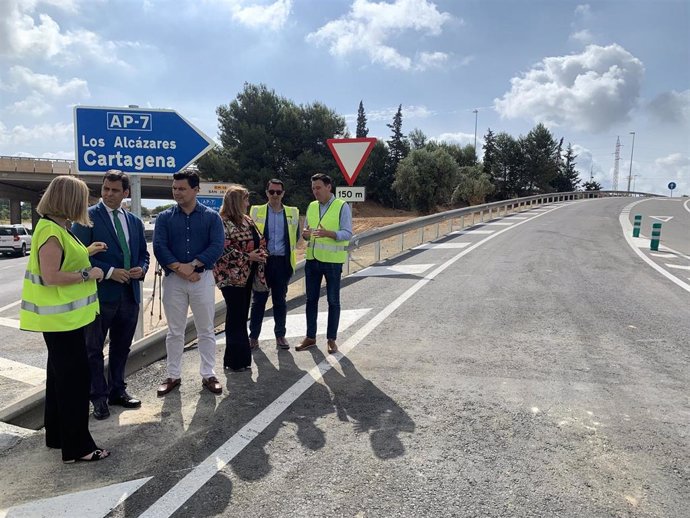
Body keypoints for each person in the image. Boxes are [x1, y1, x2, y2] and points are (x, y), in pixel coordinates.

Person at [19, 175, 110, 463]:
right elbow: (51, 276)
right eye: (81, 198)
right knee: (74, 382)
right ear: (69, 200)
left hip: (64, 320)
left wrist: (87, 251)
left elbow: (62, 260)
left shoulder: (56, 227)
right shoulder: (51, 231)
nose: (84, 204)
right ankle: (79, 448)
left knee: (59, 379)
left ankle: (57, 436)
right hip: (62, 322)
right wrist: (89, 273)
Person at [72, 170, 150, 420]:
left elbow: (143, 254)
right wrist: (109, 272)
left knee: (121, 347)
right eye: (106, 189)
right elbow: (78, 256)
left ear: (126, 193)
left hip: (129, 294)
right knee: (93, 349)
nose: (108, 194)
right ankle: (98, 398)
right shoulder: (87, 219)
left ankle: (117, 391)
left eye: (115, 190)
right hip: (100, 295)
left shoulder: (135, 221)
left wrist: (142, 268)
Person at [153, 170, 225, 396]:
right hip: (174, 279)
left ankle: (208, 374)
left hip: (201, 278)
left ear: (195, 190)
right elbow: (159, 246)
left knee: (205, 329)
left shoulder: (212, 217)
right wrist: (179, 268)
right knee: (175, 331)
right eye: (174, 188)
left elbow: (217, 245)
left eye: (182, 188)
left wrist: (194, 266)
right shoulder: (165, 218)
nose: (177, 192)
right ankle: (173, 375)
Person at [213, 185, 268, 371]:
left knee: (242, 315)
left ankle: (240, 359)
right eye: (245, 199)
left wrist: (261, 253)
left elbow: (260, 240)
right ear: (236, 201)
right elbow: (222, 249)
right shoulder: (221, 222)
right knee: (236, 316)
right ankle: (235, 360)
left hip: (248, 275)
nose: (248, 203)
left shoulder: (247, 220)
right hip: (230, 277)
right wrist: (248, 257)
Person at [296, 173, 352, 355]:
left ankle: (331, 339)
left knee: (333, 301)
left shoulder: (341, 206)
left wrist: (330, 234)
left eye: (318, 188)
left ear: (329, 187)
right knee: (310, 300)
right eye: (313, 188)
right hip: (313, 260)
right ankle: (310, 337)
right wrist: (305, 234)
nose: (315, 192)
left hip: (332, 263)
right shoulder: (312, 206)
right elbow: (307, 233)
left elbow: (347, 233)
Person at [248, 179, 299, 350]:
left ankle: (280, 336)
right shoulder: (256, 211)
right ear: (266, 193)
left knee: (280, 301)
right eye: (272, 192)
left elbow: (296, 236)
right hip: (263, 263)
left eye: (278, 192)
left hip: (282, 263)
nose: (275, 195)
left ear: (283, 193)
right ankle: (253, 337)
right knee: (259, 301)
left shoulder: (292, 212)